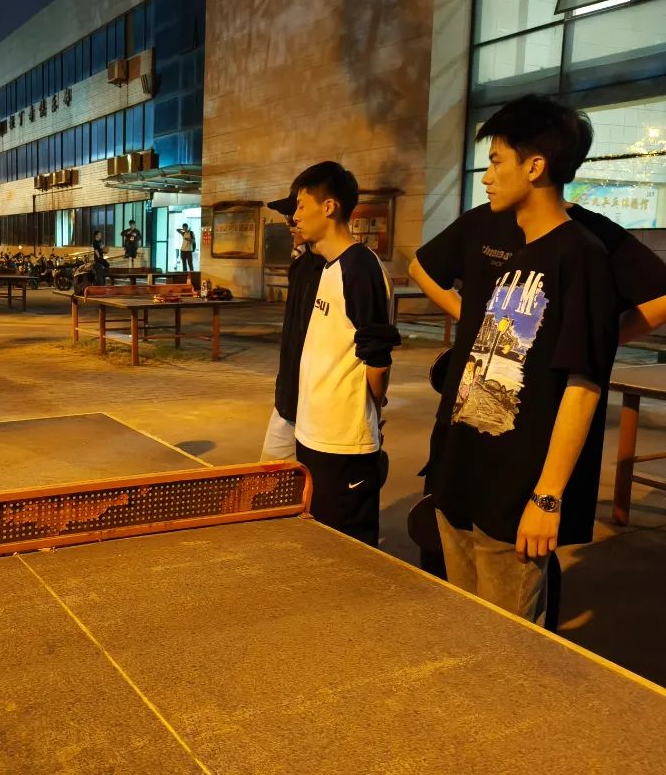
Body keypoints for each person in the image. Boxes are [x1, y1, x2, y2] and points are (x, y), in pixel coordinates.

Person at [418, 96, 618, 622]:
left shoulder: (580, 256)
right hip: (461, 478)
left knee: (507, 645)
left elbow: (583, 385)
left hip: (514, 496)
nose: (486, 177)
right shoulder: (518, 252)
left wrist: (547, 497)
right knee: (464, 627)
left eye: (496, 161)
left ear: (535, 167)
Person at [260, 162, 400, 547]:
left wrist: (371, 408)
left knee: (347, 546)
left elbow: (377, 358)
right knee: (317, 534)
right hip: (314, 431)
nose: (294, 216)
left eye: (301, 206)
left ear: (329, 207)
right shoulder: (326, 268)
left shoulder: (360, 267)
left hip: (345, 440)